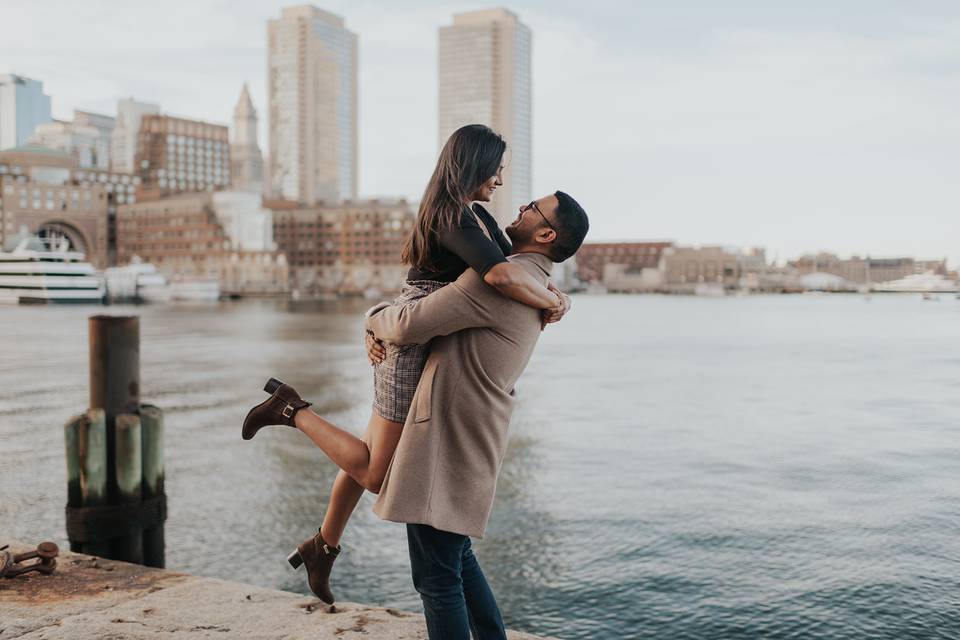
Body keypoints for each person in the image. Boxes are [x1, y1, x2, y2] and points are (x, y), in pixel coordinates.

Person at [241, 124, 571, 604]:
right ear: (474, 164)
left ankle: (324, 545)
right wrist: (551, 301)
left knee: (371, 452)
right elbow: (500, 275)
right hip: (412, 334)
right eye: (496, 169)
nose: (501, 181)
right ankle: (291, 410)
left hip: (422, 327)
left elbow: (513, 269)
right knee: (376, 472)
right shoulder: (451, 216)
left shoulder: (478, 217)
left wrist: (557, 298)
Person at [360, 191, 588, 639]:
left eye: (532, 209)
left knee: (436, 576)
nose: (520, 208)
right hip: (474, 433)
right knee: (456, 558)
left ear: (545, 233)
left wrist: (371, 317)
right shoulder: (537, 283)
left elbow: (407, 325)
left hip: (446, 437)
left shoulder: (500, 281)